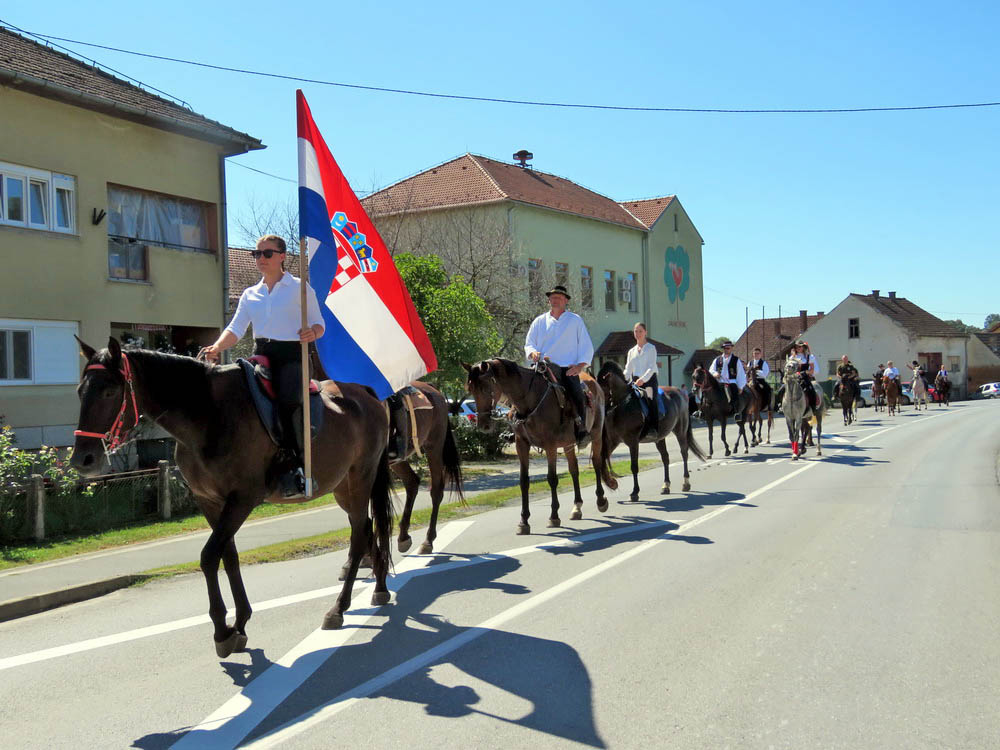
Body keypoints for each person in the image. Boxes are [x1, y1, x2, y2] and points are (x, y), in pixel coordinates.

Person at [202, 235, 324, 498]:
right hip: (261, 356)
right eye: (257, 254)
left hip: (292, 356)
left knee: (288, 401)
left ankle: (296, 466)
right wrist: (217, 347)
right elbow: (236, 329)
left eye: (267, 253)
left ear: (282, 256)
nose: (261, 259)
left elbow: (319, 323)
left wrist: (312, 332)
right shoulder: (250, 294)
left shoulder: (300, 288)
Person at [524, 284, 594, 443]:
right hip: (542, 367)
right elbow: (529, 343)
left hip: (566, 369)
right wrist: (532, 352)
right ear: (549, 300)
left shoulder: (575, 320)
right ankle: (517, 426)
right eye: (553, 298)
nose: (555, 300)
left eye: (559, 298)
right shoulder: (539, 321)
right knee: (523, 390)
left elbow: (586, 346)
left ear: (565, 301)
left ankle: (581, 428)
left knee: (577, 393)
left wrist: (579, 367)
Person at [708, 340, 747, 421]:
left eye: (728, 348)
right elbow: (711, 370)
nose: (726, 350)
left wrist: (740, 386)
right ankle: (704, 410)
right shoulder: (717, 359)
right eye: (725, 348)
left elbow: (740, 373)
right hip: (719, 382)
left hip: (731, 382)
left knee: (735, 393)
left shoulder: (736, 360)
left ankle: (736, 412)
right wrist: (715, 374)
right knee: (708, 391)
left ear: (731, 348)